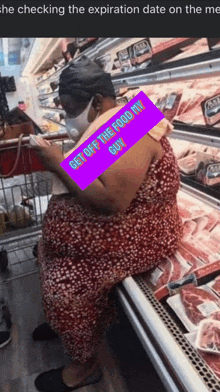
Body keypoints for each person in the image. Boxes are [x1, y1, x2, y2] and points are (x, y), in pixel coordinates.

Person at [32, 55, 183, 392]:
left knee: (65, 283)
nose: (70, 116)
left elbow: (113, 201)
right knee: (46, 251)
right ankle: (69, 325)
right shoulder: (115, 125)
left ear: (97, 102)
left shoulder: (130, 128)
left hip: (145, 234)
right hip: (127, 227)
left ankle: (85, 364)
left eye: (71, 107)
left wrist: (59, 164)